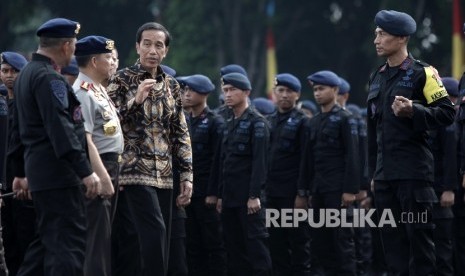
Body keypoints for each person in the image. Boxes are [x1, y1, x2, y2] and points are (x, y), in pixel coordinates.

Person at [9, 18, 102, 275]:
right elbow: (60, 129)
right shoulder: (49, 79)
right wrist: (85, 171)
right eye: (73, 46)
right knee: (67, 247)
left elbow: (17, 129)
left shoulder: (26, 74)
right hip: (58, 177)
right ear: (65, 46)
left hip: (40, 176)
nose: (73, 51)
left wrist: (19, 171)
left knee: (45, 246)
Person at [368, 10, 456, 275]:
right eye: (376, 34)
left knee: (420, 248)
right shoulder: (377, 76)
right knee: (392, 249)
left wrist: (414, 111)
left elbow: (447, 113)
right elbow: (373, 130)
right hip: (385, 178)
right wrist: (372, 173)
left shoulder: (424, 73)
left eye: (382, 34)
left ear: (402, 38)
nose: (376, 40)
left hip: (413, 176)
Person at [107, 22, 193, 276]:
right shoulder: (120, 79)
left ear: (165, 51)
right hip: (134, 171)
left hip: (165, 174)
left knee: (163, 237)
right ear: (137, 46)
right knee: (154, 232)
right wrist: (136, 101)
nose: (152, 50)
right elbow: (108, 125)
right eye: (147, 44)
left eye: (159, 45)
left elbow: (180, 131)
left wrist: (187, 175)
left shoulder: (172, 86)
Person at [298, 70, 359, 275]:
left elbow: (353, 156)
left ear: (335, 90)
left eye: (322, 89)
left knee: (342, 241)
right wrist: (303, 190)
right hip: (319, 189)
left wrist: (350, 190)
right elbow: (307, 159)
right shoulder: (313, 121)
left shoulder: (345, 119)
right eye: (315, 89)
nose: (317, 93)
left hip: (338, 190)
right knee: (320, 242)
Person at [73, 35, 123, 276]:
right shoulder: (83, 92)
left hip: (110, 167)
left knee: (104, 237)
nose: (112, 62)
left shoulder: (98, 90)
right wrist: (102, 176)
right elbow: (86, 139)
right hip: (99, 167)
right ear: (94, 61)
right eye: (107, 57)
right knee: (96, 240)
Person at [217, 72, 272, 275]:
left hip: (249, 200)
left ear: (247, 92)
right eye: (225, 90)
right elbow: (225, 163)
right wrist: (221, 195)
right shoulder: (229, 122)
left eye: (232, 90)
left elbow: (260, 164)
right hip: (230, 197)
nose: (227, 95)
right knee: (233, 250)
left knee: (256, 249)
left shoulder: (257, 122)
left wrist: (254, 195)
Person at [177, 74, 227, 276]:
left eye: (192, 91)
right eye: (185, 90)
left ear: (205, 93)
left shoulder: (216, 123)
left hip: (207, 192)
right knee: (192, 243)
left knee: (213, 243)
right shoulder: (184, 120)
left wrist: (215, 193)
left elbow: (219, 161)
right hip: (189, 191)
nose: (187, 94)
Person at [265, 73, 311, 275]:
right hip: (271, 192)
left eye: (289, 91)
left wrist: (302, 193)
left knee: (298, 242)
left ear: (297, 95)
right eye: (280, 91)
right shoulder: (267, 120)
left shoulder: (304, 122)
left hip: (292, 194)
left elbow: (306, 161)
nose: (284, 95)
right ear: (274, 93)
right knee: (275, 243)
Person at [0, 51, 28, 276]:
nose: (9, 76)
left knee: (25, 238)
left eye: (15, 71)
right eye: (5, 71)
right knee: (7, 240)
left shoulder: (28, 103)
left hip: (24, 182)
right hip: (4, 183)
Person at [428, 77, 458, 276]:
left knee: (444, 245)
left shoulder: (448, 121)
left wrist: (448, 188)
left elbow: (450, 157)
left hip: (443, 189)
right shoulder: (433, 117)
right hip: (428, 187)